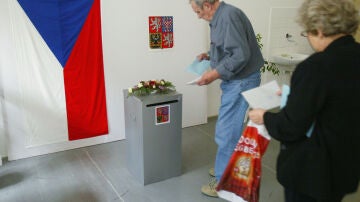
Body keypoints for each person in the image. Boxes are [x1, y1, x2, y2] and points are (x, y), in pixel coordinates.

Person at [248, 0, 360, 201]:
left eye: (306, 32)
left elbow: (291, 127)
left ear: (319, 29)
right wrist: (295, 93)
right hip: (346, 163)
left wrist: (264, 117)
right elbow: (336, 100)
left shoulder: (315, 67)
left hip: (313, 172)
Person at [189, 0, 264, 197]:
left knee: (227, 130)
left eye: (198, 11)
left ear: (207, 4)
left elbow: (240, 55)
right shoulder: (220, 16)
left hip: (241, 81)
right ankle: (227, 165)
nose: (198, 16)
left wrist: (212, 74)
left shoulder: (228, 16)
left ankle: (224, 180)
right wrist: (209, 55)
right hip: (237, 80)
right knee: (229, 127)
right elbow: (228, 46)